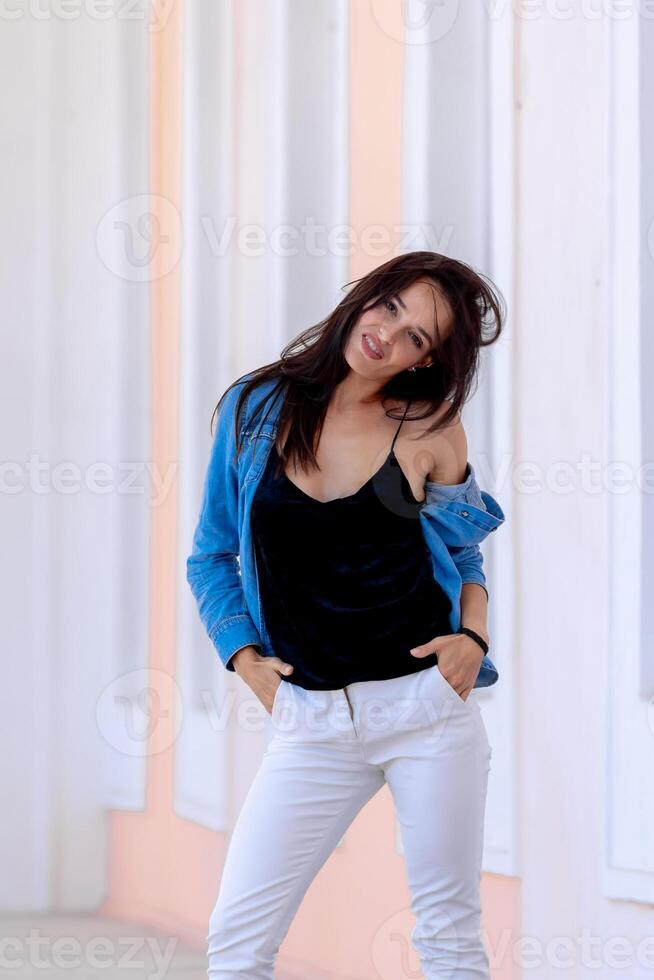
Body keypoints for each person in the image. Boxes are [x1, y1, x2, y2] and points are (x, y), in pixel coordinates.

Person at [187, 250, 506, 979]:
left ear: (427, 362)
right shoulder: (256, 410)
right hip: (312, 724)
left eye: (417, 337)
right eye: (391, 307)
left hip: (426, 712)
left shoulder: (431, 431)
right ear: (368, 297)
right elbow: (210, 557)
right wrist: (243, 657)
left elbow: (466, 563)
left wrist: (472, 638)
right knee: (237, 945)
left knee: (449, 942)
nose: (389, 335)